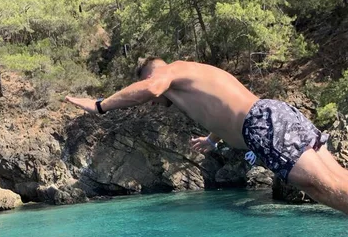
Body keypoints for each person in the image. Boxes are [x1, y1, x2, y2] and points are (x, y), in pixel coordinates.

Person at [66, 57, 348, 216]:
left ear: (151, 72)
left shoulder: (167, 72)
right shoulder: (195, 74)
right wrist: (213, 139)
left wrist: (100, 105)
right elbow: (227, 106)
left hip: (261, 126)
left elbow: (151, 89)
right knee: (338, 179)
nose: (151, 102)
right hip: (275, 114)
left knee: (320, 188)